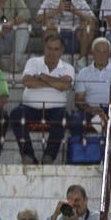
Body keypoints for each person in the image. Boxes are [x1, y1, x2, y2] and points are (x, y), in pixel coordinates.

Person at [11, 33, 74, 165]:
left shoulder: (68, 67)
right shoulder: (33, 62)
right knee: (15, 114)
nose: (52, 52)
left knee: (63, 117)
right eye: (49, 48)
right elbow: (27, 82)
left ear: (62, 51)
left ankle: (49, 156)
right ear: (44, 48)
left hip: (55, 110)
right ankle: (28, 156)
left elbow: (65, 86)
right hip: (30, 108)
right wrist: (56, 83)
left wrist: (43, 77)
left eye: (56, 49)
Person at [68, 37, 111, 162]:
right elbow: (79, 100)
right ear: (92, 53)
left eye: (105, 52)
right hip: (91, 110)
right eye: (98, 51)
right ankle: (79, 156)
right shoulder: (84, 72)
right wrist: (91, 109)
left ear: (110, 53)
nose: (101, 55)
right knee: (74, 120)